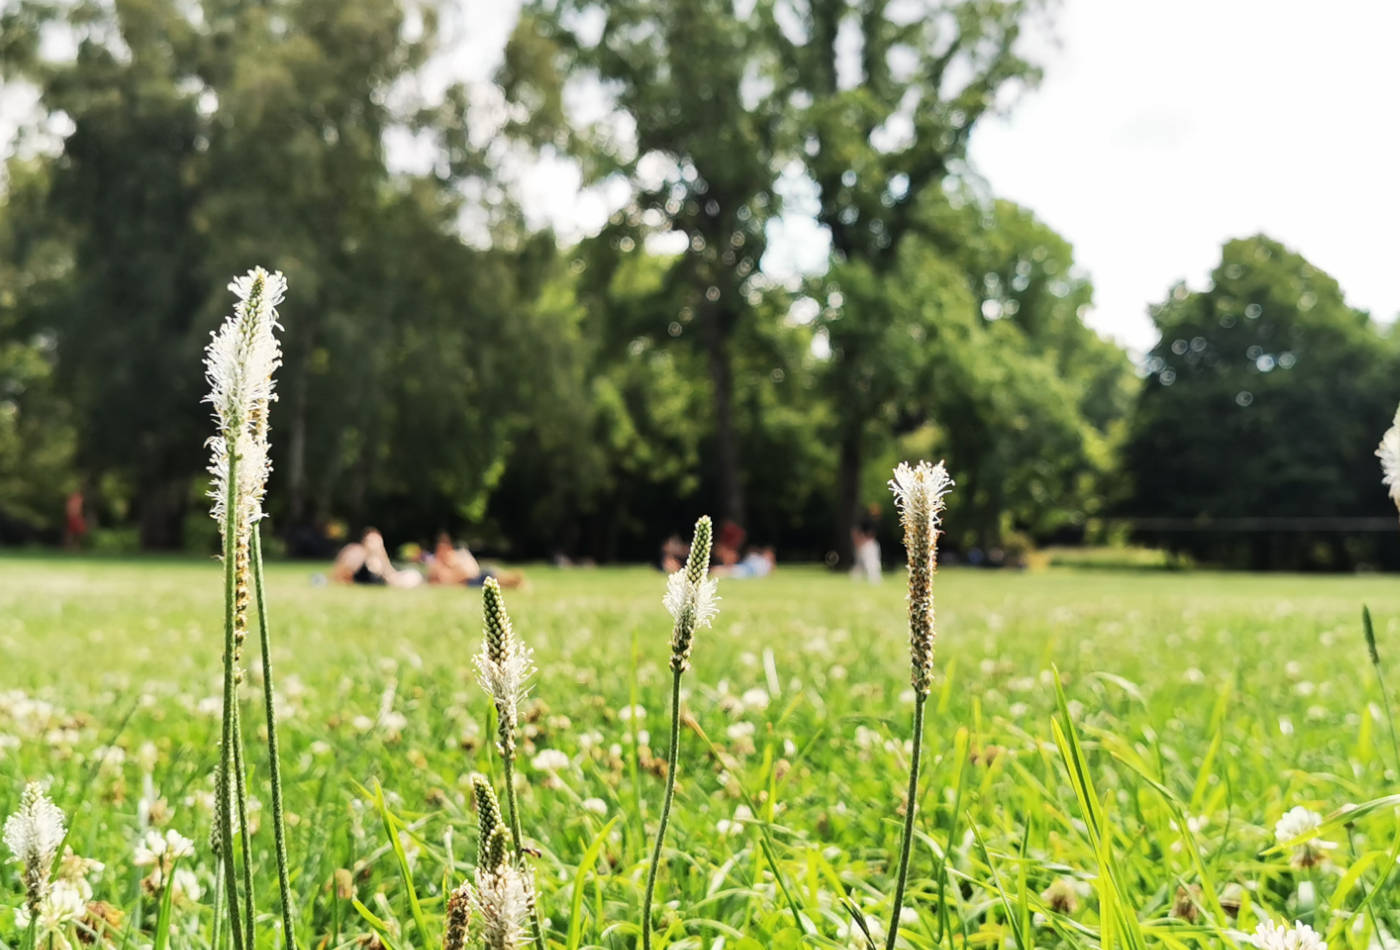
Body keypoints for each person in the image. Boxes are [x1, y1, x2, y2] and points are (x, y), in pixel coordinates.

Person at [329, 528, 424, 588]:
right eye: (371, 541)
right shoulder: (356, 553)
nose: (374, 545)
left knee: (414, 575)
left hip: (389, 580)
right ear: (364, 541)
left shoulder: (379, 559)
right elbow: (342, 573)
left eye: (377, 542)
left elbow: (390, 574)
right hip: (366, 579)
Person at [425, 533, 524, 588]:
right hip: (472, 581)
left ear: (449, 548)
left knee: (493, 575)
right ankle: (515, 581)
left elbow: (471, 570)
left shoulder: (456, 557)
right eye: (440, 550)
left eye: (444, 549)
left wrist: (455, 571)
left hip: (477, 575)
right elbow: (442, 580)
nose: (442, 552)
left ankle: (515, 579)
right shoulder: (437, 565)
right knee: (496, 583)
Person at [851, 516, 882, 583]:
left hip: (868, 545)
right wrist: (860, 543)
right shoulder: (865, 523)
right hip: (865, 546)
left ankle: (874, 579)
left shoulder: (871, 524)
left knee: (871, 564)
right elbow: (856, 533)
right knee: (862, 564)